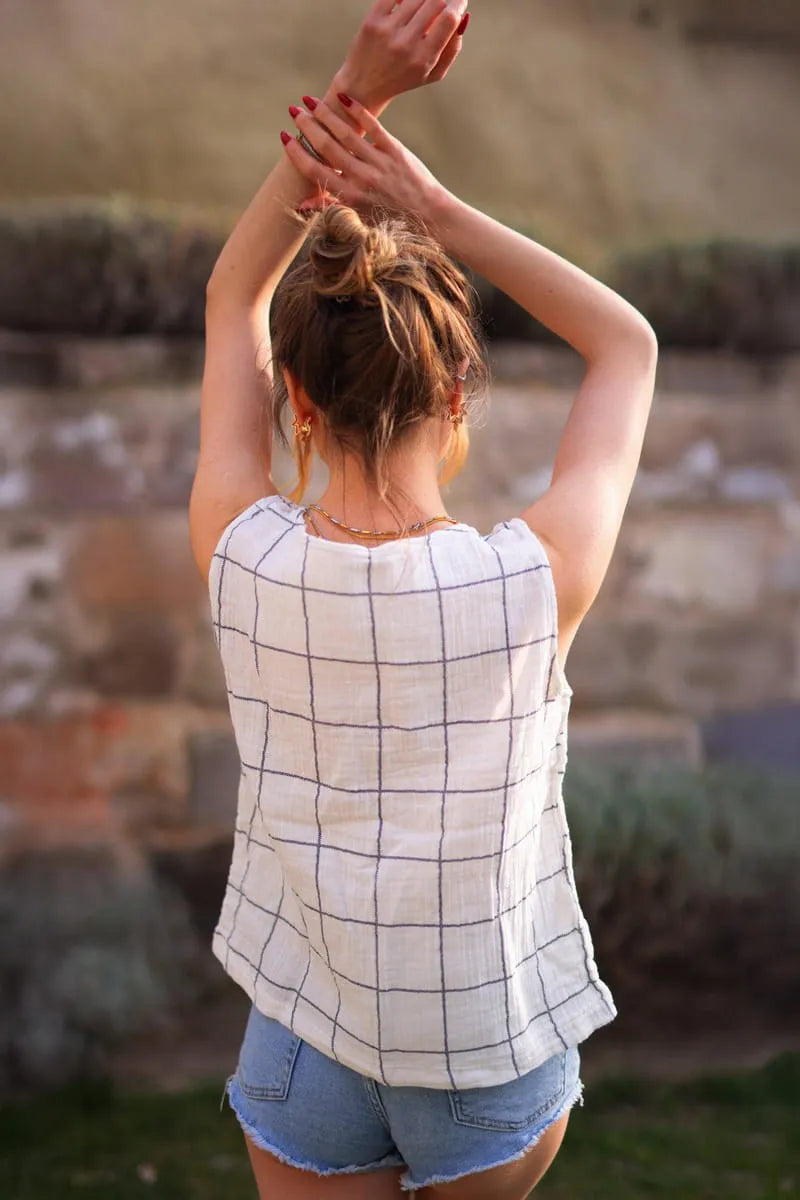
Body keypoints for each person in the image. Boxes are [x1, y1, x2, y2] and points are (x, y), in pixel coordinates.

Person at [189, 2, 658, 1196]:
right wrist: (436, 212)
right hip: (484, 1048)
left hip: (305, 1042)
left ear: (294, 399)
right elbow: (625, 348)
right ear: (456, 392)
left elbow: (229, 297)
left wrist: (356, 88)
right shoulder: (531, 577)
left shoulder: (239, 555)